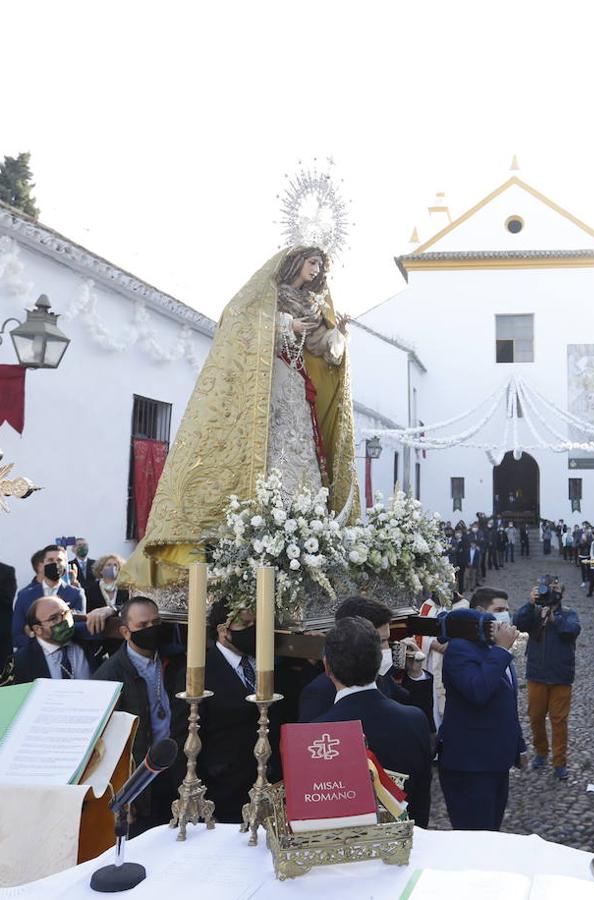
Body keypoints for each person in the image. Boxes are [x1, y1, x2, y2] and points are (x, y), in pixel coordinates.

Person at [122, 245, 359, 593]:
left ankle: (300, 527)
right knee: (269, 444)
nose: (316, 269)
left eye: (320, 265)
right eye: (312, 262)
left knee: (299, 448)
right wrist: (285, 324)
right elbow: (238, 320)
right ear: (296, 262)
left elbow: (325, 349)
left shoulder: (313, 306)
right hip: (267, 382)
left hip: (296, 383)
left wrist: (338, 334)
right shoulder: (268, 295)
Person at [312, 617, 433, 827]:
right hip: (405, 839)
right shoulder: (415, 719)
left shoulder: (314, 733)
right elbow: (422, 795)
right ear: (379, 662)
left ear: (327, 667)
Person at [436, 588, 525, 830]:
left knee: (492, 832)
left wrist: (518, 746)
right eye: (498, 610)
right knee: (475, 835)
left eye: (507, 610)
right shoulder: (460, 649)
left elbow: (508, 701)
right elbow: (478, 691)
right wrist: (501, 650)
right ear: (479, 613)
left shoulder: (491, 647)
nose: (505, 616)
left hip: (495, 761)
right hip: (470, 765)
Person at [178, 602, 274, 824]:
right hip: (223, 794)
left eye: (258, 624)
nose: (254, 631)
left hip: (267, 787)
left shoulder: (264, 662)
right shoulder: (199, 673)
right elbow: (184, 736)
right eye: (247, 624)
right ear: (223, 630)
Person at [94, 597, 182, 836]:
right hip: (142, 781)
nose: (151, 630)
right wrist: (122, 795)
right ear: (125, 631)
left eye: (156, 622)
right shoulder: (109, 676)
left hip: (176, 772)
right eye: (142, 626)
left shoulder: (175, 661)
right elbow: (105, 745)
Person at [299, 596, 408, 721]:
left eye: (387, 640)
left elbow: (410, 709)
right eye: (380, 641)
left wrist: (416, 674)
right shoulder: (319, 693)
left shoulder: (381, 677)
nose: (386, 648)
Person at [514, 578, 580, 780]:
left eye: (556, 589)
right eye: (548, 590)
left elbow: (572, 631)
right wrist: (530, 603)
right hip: (537, 674)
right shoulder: (534, 613)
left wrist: (554, 619)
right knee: (535, 717)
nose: (552, 594)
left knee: (559, 721)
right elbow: (517, 622)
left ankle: (559, 762)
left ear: (562, 593)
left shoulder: (569, 614)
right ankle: (541, 752)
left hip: (561, 676)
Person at [12, 545, 88, 651]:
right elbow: (16, 635)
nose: (55, 564)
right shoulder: (24, 596)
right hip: (34, 657)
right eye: (50, 560)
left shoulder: (76, 594)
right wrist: (44, 645)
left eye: (59, 560)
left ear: (65, 564)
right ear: (43, 564)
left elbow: (79, 631)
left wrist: (36, 634)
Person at [12, 596, 100, 683]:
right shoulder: (22, 661)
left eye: (66, 613)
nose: (64, 621)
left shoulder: (89, 638)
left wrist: (110, 610)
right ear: (38, 629)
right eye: (54, 618)